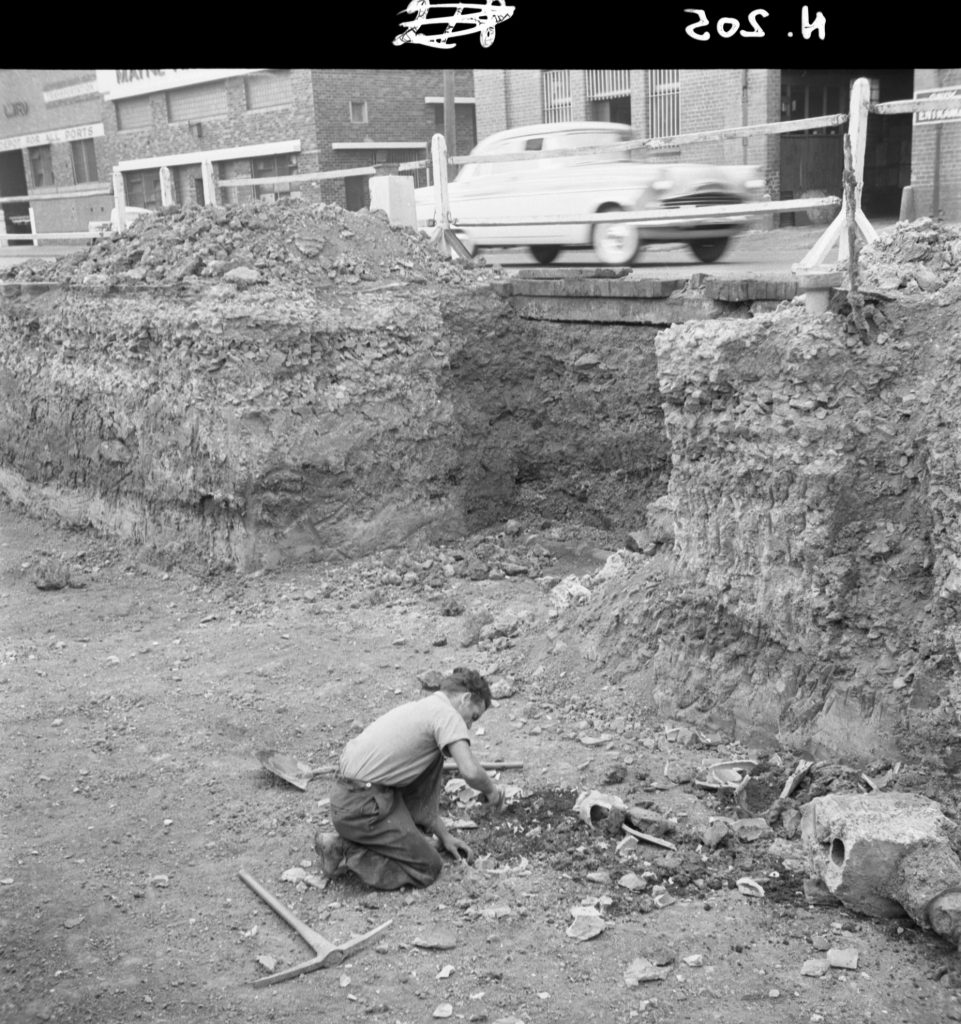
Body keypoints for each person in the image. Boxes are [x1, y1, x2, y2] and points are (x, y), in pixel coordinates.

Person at [313, 667, 506, 890]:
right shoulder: (447, 716)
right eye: (473, 716)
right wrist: (492, 791)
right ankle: (343, 849)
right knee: (428, 866)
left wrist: (444, 836)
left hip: (350, 798)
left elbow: (420, 794)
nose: (470, 726)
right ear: (466, 698)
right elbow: (470, 771)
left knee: (435, 763)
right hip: (363, 806)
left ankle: (396, 837)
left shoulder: (424, 709)